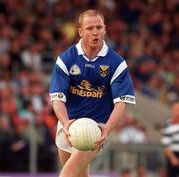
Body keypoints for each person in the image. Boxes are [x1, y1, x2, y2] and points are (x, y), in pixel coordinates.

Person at [49, 9, 136, 177]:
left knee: (66, 175)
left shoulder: (117, 63)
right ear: (80, 31)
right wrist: (66, 123)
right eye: (89, 28)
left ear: (105, 29)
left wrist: (107, 129)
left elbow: (121, 103)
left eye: (99, 27)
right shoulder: (66, 59)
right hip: (68, 125)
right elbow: (57, 99)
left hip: (94, 129)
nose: (95, 32)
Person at [161, 101, 179, 177]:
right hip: (173, 155)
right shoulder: (168, 124)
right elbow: (165, 144)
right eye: (173, 110)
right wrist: (172, 158)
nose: (174, 112)